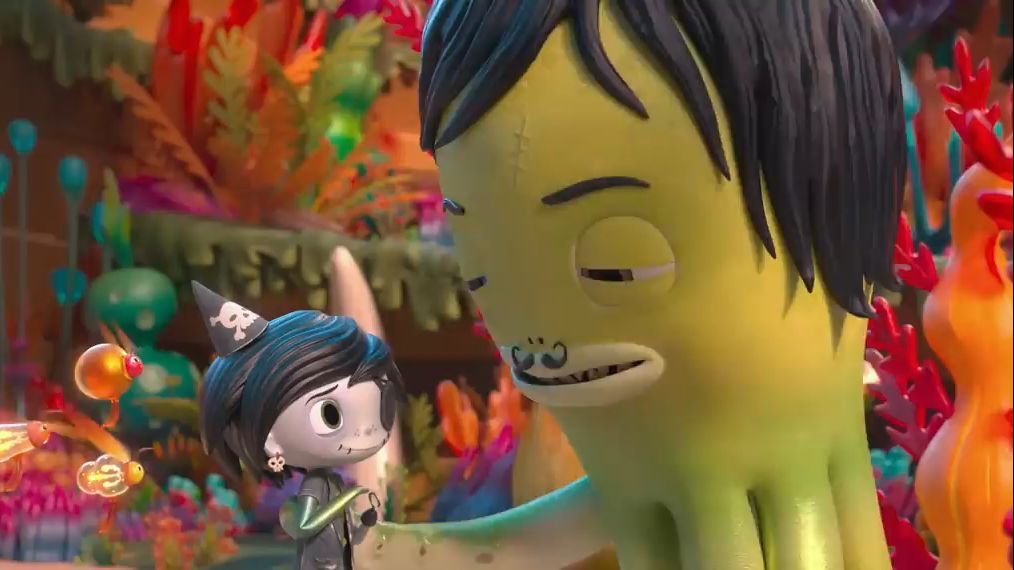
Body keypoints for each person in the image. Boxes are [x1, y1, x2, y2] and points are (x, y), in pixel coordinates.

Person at [356, 1, 906, 569]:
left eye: (615, 268)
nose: (540, 345)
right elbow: (520, 543)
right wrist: (369, 549)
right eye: (481, 273)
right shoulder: (627, 480)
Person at [193, 281, 403, 570]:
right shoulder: (316, 485)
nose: (366, 431)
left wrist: (362, 524)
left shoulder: (334, 482)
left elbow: (345, 532)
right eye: (330, 415)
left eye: (382, 405)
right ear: (270, 441)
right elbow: (302, 525)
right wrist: (348, 499)